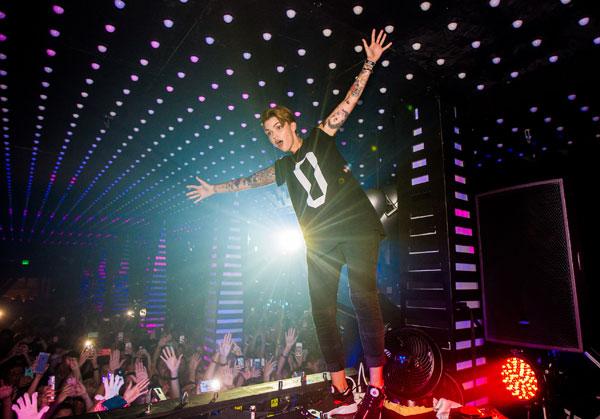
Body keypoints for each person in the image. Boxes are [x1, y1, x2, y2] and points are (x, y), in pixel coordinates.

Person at [186, 29, 392, 419]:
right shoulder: (281, 168)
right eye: (267, 133)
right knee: (321, 312)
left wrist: (369, 62)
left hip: (356, 228)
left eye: (277, 127)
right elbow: (247, 182)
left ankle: (377, 387)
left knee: (365, 299)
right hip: (319, 241)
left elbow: (349, 101)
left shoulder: (320, 136)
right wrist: (214, 189)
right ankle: (339, 386)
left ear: (291, 124)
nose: (273, 136)